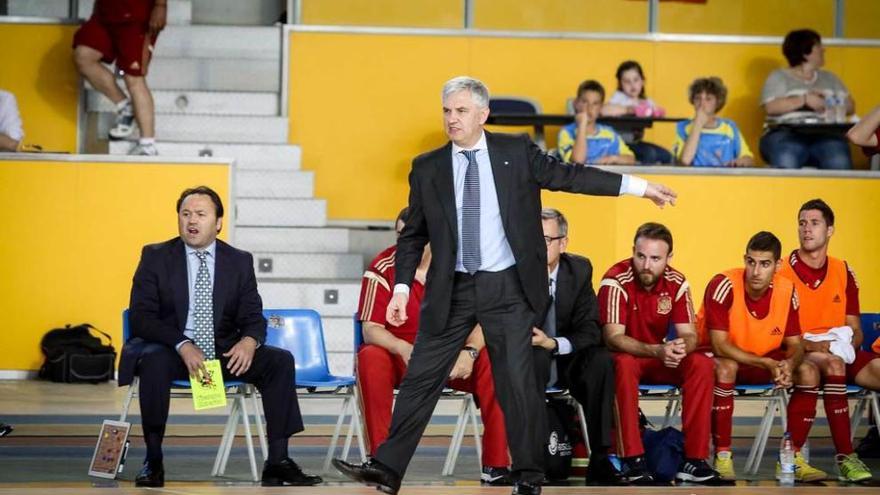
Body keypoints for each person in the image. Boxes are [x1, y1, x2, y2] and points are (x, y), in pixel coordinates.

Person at [332, 76, 676, 495]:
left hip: (508, 287)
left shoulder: (515, 152)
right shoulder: (427, 167)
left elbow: (572, 176)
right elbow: (412, 237)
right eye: (446, 111)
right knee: (422, 376)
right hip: (453, 288)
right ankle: (387, 467)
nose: (451, 119)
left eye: (460, 111)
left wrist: (639, 188)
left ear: (483, 114)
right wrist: (401, 290)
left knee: (516, 383)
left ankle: (529, 477)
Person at [118, 186, 322, 487]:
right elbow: (141, 317)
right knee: (153, 362)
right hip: (172, 351)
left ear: (218, 222)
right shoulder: (156, 256)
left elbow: (253, 315)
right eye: (185, 214)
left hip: (222, 351)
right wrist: (182, 344)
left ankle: (278, 460)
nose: (192, 221)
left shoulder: (238, 261)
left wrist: (249, 341)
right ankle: (154, 460)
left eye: (201, 214)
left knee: (279, 361)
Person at [356, 207, 511, 485]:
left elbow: (487, 320)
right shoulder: (382, 267)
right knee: (370, 357)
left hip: (454, 359)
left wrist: (471, 352)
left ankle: (496, 465)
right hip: (404, 358)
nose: (406, 242)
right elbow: (371, 330)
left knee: (494, 358)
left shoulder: (464, 265)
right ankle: (381, 461)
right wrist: (403, 348)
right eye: (401, 235)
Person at [598, 223, 718, 484]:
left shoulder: (677, 281)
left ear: (669, 258)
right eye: (641, 256)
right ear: (633, 251)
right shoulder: (616, 279)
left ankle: (693, 458)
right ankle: (632, 459)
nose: (646, 265)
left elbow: (690, 334)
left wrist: (679, 348)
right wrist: (659, 350)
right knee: (625, 364)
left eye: (655, 258)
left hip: (656, 356)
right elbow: (613, 338)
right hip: (623, 358)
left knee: (701, 364)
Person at [700, 231, 819, 481]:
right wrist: (766, 362)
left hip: (762, 358)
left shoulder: (788, 290)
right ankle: (722, 457)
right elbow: (720, 345)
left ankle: (792, 458)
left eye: (765, 264)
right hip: (717, 358)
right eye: (751, 262)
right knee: (726, 367)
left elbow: (796, 344)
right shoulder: (723, 284)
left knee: (808, 371)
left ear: (778, 265)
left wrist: (789, 364)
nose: (756, 271)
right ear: (745, 259)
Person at [778, 198, 877, 482]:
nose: (806, 229)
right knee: (831, 363)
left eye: (814, 223)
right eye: (802, 223)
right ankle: (846, 456)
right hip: (801, 350)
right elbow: (776, 332)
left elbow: (855, 329)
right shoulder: (781, 271)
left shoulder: (843, 270)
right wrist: (815, 346)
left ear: (830, 230)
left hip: (837, 348)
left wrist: (844, 344)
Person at [533, 208, 618, 484]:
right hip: (532, 355)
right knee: (534, 359)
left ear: (563, 243)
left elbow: (590, 328)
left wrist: (555, 344)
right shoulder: (515, 271)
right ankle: (530, 457)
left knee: (601, 360)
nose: (537, 245)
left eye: (546, 239)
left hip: (566, 356)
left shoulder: (579, 269)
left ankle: (601, 456)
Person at [73, 0, 165, 156]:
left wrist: (161, 5)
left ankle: (148, 144)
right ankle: (125, 106)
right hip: (105, 13)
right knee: (83, 56)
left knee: (133, 78)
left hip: (136, 15)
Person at [759, 29, 854, 169]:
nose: (824, 49)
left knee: (838, 158)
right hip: (785, 134)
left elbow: (851, 107)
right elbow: (771, 107)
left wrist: (829, 99)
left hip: (825, 134)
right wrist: (804, 100)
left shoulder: (830, 78)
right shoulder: (779, 77)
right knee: (787, 155)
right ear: (805, 52)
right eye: (818, 46)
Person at [601, 60, 672, 164]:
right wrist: (631, 110)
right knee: (650, 154)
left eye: (636, 80)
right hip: (621, 143)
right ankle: (641, 179)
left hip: (636, 142)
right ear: (620, 84)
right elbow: (604, 110)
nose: (632, 85)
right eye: (627, 81)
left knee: (666, 156)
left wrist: (656, 111)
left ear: (642, 81)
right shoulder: (619, 98)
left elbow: (657, 110)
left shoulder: (645, 101)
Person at [673, 77, 754, 167]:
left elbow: (748, 159)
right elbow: (684, 162)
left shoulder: (729, 127)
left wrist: (740, 161)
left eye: (708, 99)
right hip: (695, 179)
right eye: (697, 98)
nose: (702, 104)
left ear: (717, 102)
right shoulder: (683, 127)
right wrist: (697, 125)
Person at [558, 80, 636, 166]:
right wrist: (582, 125)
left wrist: (613, 158)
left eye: (595, 103)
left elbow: (631, 159)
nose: (589, 108)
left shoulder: (609, 134)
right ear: (576, 103)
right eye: (585, 102)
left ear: (600, 108)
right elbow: (577, 162)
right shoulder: (566, 133)